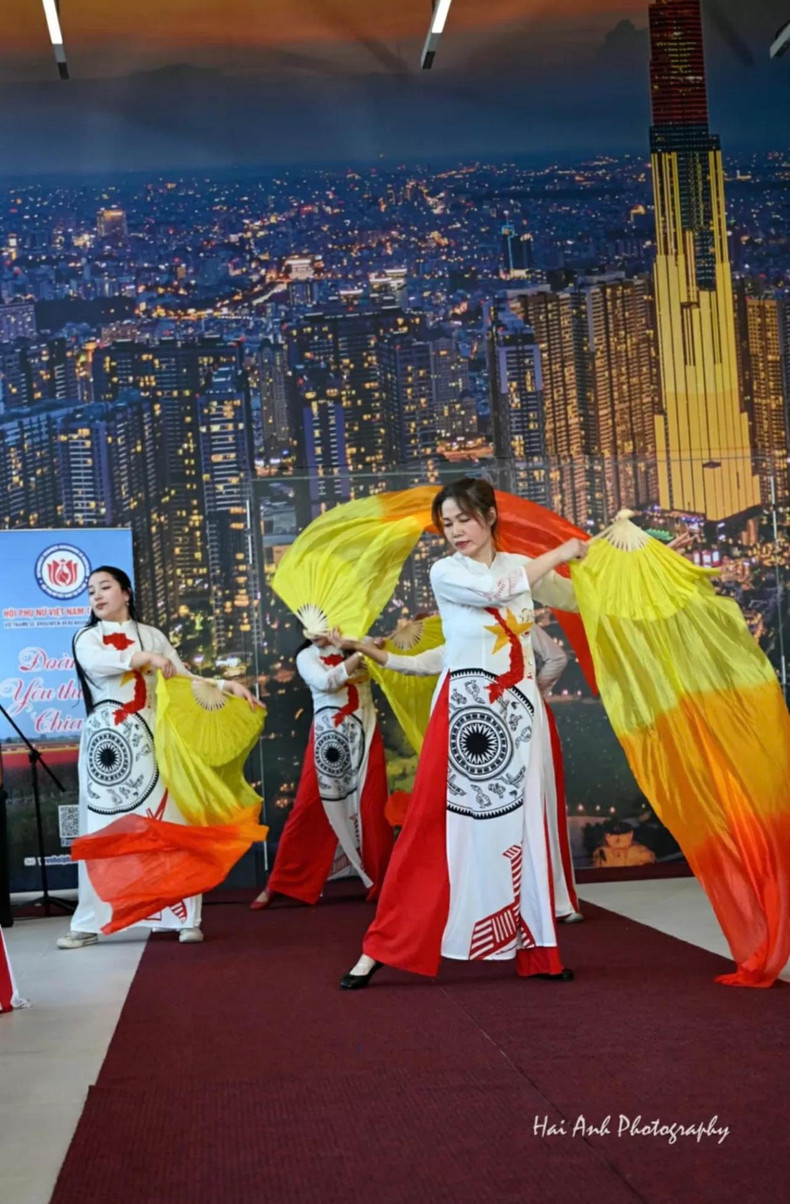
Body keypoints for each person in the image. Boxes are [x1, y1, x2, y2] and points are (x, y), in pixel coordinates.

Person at [338, 476, 587, 989]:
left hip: (519, 718)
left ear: (489, 516)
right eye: (446, 523)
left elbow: (579, 596)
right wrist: (563, 548)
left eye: (464, 519)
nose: (455, 531)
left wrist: (628, 563)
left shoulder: (521, 567)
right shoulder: (446, 572)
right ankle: (381, 947)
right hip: (465, 718)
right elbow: (501, 590)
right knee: (433, 830)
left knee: (525, 833)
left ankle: (538, 952)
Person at [58, 566, 261, 950]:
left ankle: (185, 918)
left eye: (105, 587)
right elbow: (102, 664)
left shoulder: (153, 635)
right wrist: (143, 657)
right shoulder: (87, 638)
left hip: (154, 737)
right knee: (104, 830)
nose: (96, 596)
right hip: (108, 742)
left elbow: (181, 678)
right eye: (90, 592)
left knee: (170, 823)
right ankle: (91, 921)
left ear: (126, 593)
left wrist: (225, 685)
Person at [337, 618, 582, 923]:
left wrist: (533, 693)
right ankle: (522, 902)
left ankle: (548, 902)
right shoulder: (470, 632)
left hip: (520, 729)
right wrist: (361, 648)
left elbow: (557, 658)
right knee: (500, 813)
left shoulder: (513, 621)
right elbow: (413, 664)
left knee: (532, 809)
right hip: (494, 732)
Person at [250, 630, 392, 910]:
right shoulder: (306, 656)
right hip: (327, 740)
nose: (313, 631)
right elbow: (326, 682)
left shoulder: (357, 643)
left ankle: (386, 883)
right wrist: (362, 652)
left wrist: (382, 643)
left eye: (322, 622)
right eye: (307, 624)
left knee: (374, 808)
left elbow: (392, 665)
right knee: (308, 809)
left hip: (364, 734)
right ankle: (280, 882)